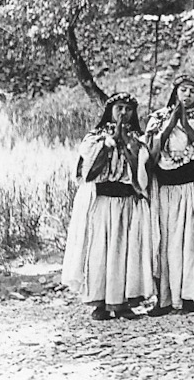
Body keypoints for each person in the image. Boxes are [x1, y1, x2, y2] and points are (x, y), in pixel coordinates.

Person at [62, 93, 153, 320]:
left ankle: (122, 302)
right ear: (110, 110)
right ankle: (99, 302)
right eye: (119, 108)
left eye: (128, 109)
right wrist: (109, 144)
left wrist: (129, 149)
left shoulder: (138, 139)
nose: (123, 113)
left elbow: (142, 175)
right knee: (101, 251)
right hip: (103, 201)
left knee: (125, 250)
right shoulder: (94, 138)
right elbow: (88, 173)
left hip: (127, 201)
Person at [143, 76, 194, 315]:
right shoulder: (158, 118)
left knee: (193, 240)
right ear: (175, 92)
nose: (188, 95)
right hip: (167, 189)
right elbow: (151, 153)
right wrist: (170, 123)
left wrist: (185, 125)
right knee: (168, 242)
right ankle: (165, 297)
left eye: (193, 92)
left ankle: (191, 296)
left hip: (192, 186)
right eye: (183, 90)